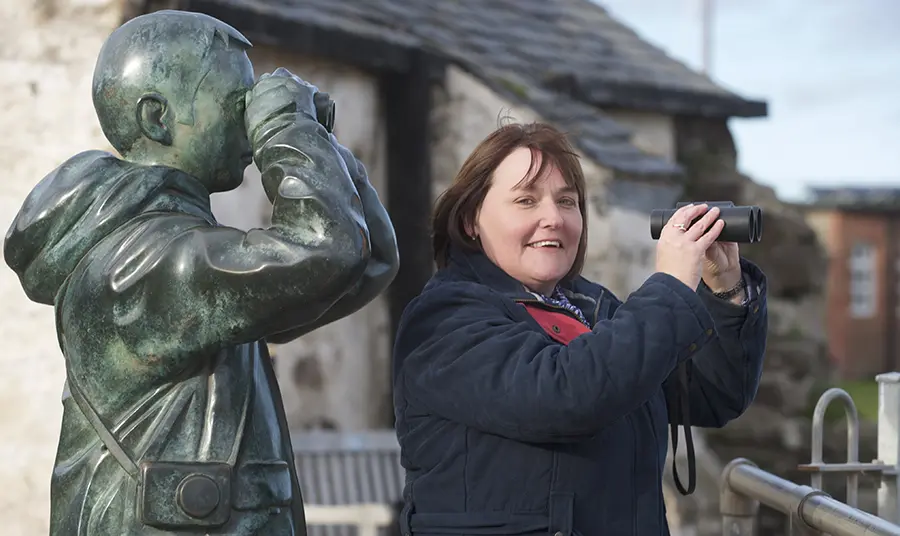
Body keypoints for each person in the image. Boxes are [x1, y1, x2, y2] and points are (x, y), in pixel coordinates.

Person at [4, 10, 398, 536]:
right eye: (238, 100)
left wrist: (318, 144)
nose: (249, 117)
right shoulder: (143, 262)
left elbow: (366, 263)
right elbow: (326, 250)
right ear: (157, 119)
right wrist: (286, 128)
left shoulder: (178, 247)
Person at [392, 122, 767, 535]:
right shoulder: (444, 320)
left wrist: (725, 290)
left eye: (567, 201)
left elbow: (712, 396)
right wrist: (672, 286)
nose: (553, 218)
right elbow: (565, 394)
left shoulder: (594, 308)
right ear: (470, 221)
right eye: (525, 200)